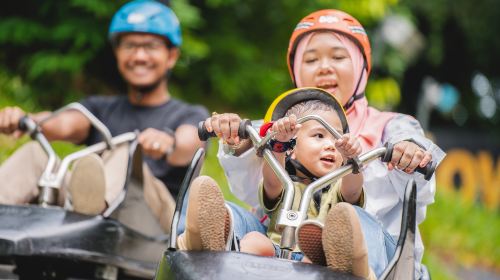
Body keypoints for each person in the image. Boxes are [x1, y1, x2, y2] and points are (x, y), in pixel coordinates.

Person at [211, 9, 445, 278]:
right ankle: (202, 242)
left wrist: (409, 151)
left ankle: (353, 265)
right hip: (281, 245)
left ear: (361, 68)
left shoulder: (392, 126)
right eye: (311, 59)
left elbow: (417, 166)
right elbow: (252, 181)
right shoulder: (282, 124)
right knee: (233, 217)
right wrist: (235, 139)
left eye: (338, 56)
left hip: (381, 259)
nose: (324, 67)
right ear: (296, 71)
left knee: (352, 222)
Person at [0, 0, 208, 232]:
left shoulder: (189, 114)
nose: (139, 56)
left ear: (171, 56)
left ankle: (92, 216)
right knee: (34, 155)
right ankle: (83, 214)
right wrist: (24, 120)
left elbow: (188, 145)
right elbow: (63, 123)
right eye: (129, 46)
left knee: (125, 152)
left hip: (156, 225)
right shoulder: (99, 108)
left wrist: (168, 143)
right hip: (83, 205)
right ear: (117, 53)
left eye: (150, 46)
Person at [180, 88, 395, 279]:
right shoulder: (284, 181)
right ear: (292, 147)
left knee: (338, 231)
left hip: (318, 262)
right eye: (319, 136)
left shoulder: (338, 187)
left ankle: (356, 270)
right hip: (272, 252)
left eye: (337, 139)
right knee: (255, 239)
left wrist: (351, 160)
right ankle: (210, 246)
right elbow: (272, 182)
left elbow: (353, 190)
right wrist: (279, 144)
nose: (331, 146)